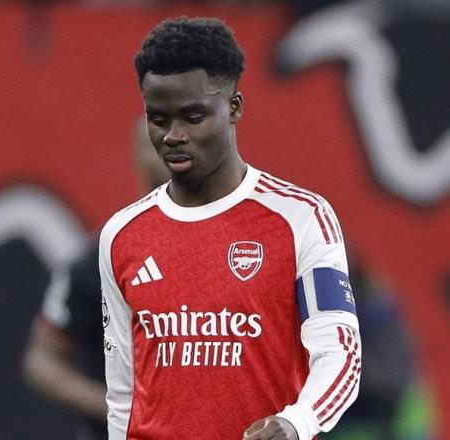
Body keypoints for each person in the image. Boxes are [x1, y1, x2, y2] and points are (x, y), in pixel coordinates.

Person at [99, 17, 361, 440]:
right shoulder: (122, 235)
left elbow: (341, 355)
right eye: (158, 119)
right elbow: (122, 392)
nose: (173, 136)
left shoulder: (301, 217)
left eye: (193, 117)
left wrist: (296, 422)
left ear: (234, 107)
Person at [22, 117, 169, 440]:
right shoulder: (97, 260)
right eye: (156, 144)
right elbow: (42, 358)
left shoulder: (230, 250)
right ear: (136, 154)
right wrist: (116, 406)